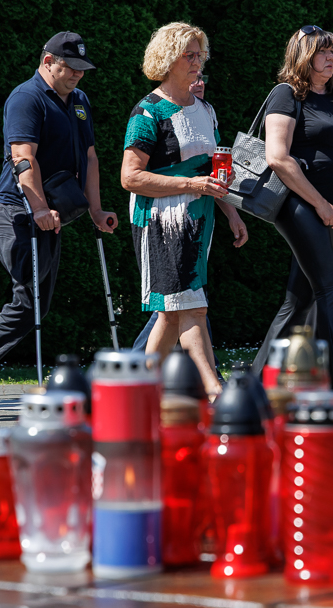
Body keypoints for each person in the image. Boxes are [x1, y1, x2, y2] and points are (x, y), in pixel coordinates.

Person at [0, 31, 118, 410]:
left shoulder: (79, 100)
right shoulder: (26, 97)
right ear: (48, 62)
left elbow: (90, 157)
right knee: (28, 299)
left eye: (82, 69)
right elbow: (23, 156)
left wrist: (96, 209)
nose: (78, 75)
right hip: (15, 212)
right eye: (71, 67)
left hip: (50, 215)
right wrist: (37, 208)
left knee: (36, 304)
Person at [121, 22, 247, 396]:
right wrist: (193, 185)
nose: (196, 62)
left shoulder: (205, 109)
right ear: (167, 59)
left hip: (199, 218)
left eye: (200, 54)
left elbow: (214, 169)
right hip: (160, 220)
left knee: (171, 313)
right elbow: (130, 177)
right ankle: (214, 390)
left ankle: (136, 390)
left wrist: (232, 212)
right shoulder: (148, 112)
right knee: (192, 306)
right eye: (188, 55)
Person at [252, 25, 333, 389]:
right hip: (298, 203)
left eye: (332, 52)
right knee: (330, 287)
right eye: (322, 52)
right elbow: (277, 157)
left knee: (299, 299)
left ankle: (254, 386)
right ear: (303, 56)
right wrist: (322, 205)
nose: (330, 58)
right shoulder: (286, 94)